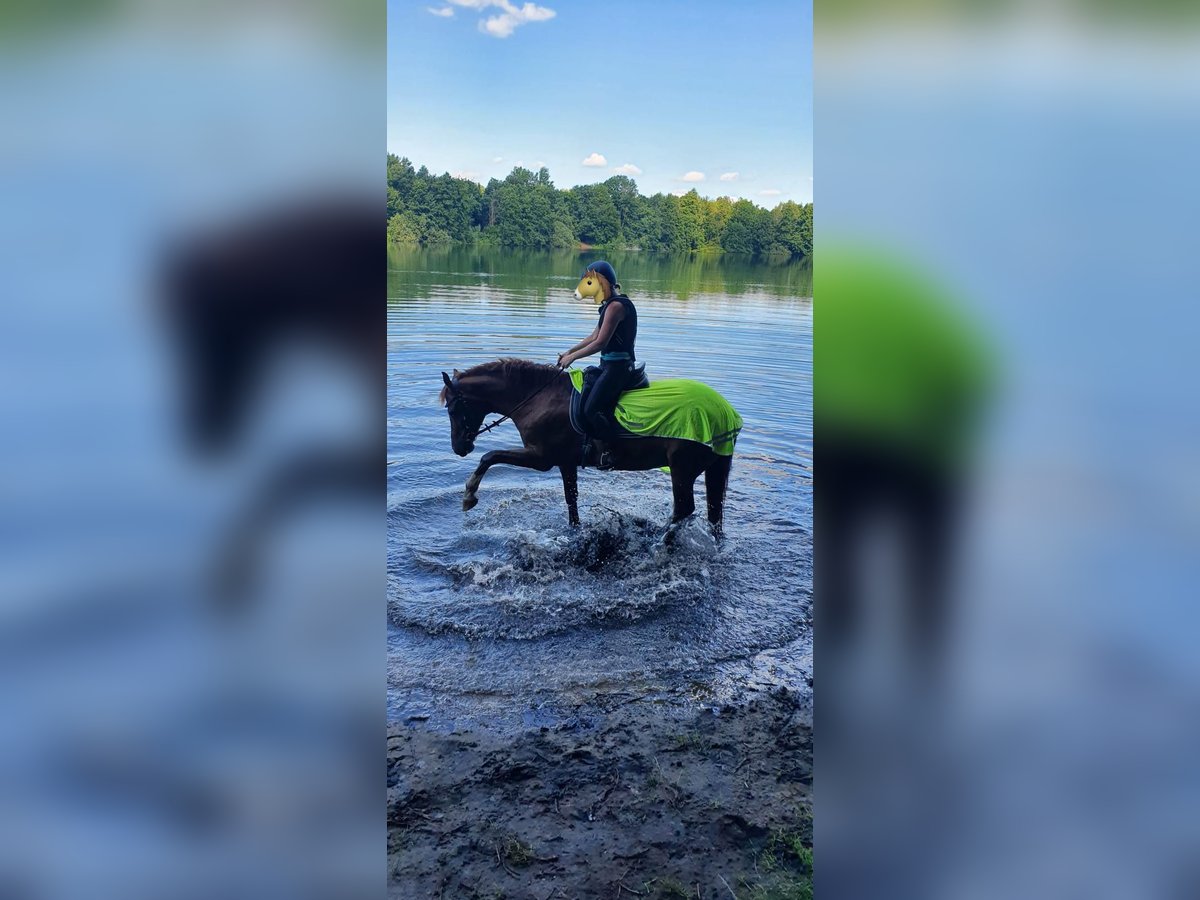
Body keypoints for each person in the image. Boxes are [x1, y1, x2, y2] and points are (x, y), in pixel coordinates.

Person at [557, 261, 638, 470]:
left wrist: (573, 359)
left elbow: (600, 342)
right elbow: (594, 335)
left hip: (619, 368)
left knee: (591, 409)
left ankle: (612, 451)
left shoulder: (617, 306)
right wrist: (569, 351)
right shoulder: (608, 306)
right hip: (608, 365)